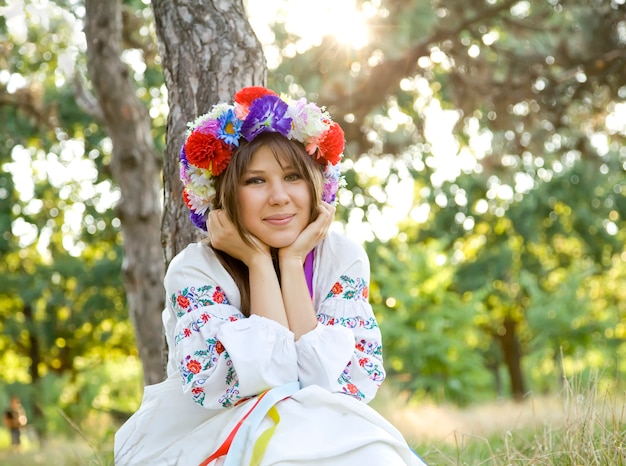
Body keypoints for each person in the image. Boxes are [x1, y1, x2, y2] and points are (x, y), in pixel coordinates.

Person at [115, 86, 427, 465]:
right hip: (216, 431)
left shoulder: (340, 257)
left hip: (324, 425)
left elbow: (331, 388)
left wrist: (293, 262)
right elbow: (269, 380)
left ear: (317, 185)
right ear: (225, 193)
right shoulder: (194, 270)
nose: (279, 196)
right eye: (256, 181)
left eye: (293, 176)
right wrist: (258, 261)